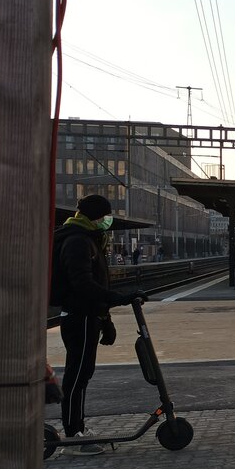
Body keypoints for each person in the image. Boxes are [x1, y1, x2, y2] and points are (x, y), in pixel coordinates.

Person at [52, 194, 143, 455]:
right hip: (78, 316)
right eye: (105, 216)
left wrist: (106, 319)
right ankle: (72, 435)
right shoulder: (77, 241)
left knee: (83, 374)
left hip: (88, 316)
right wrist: (117, 299)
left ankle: (78, 427)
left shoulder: (89, 238)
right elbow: (83, 284)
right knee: (76, 375)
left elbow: (97, 284)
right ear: (96, 216)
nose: (107, 221)